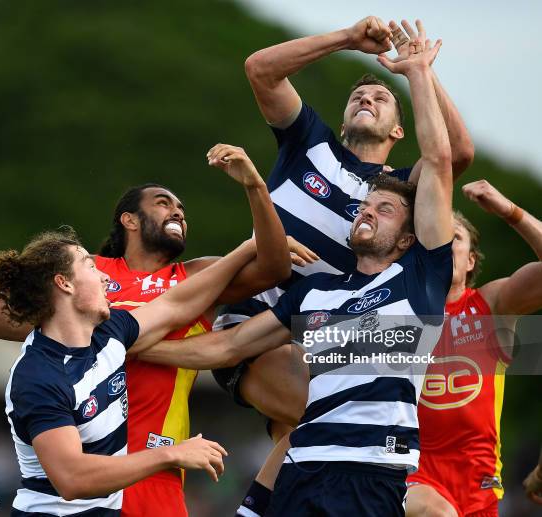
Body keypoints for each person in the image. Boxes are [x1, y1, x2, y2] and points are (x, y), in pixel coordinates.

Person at [143, 35, 454, 516]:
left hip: (321, 341)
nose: (366, 99)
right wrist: (350, 37)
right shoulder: (311, 144)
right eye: (357, 96)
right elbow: (260, 68)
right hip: (265, 327)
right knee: (336, 421)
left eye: (380, 98)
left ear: (398, 132)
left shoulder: (403, 206)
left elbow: (449, 158)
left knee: (347, 433)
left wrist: (420, 74)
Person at [0, 144, 309, 516]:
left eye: (181, 209)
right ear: (129, 219)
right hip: (87, 462)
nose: (177, 211)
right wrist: (82, 332)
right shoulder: (90, 273)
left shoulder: (193, 278)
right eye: (163, 203)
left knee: (331, 390)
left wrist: (255, 187)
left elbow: (274, 268)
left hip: (157, 468)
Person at [0, 226, 267, 516]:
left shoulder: (111, 332)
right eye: (91, 267)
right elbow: (72, 479)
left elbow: (177, 304)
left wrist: (246, 249)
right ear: (64, 284)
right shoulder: (39, 376)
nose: (106, 277)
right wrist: (171, 454)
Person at [406, 180, 542, 517]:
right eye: (434, 238)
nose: (444, 245)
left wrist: (510, 212)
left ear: (470, 260)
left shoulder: (491, 305)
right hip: (411, 474)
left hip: (478, 485)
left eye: (454, 238)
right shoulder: (398, 313)